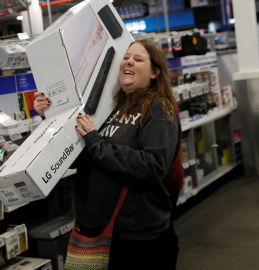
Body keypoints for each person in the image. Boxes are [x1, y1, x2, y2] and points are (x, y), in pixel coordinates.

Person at [34, 39, 181, 269]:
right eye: (126, 57)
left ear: (155, 72)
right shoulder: (113, 108)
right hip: (96, 230)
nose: (129, 61)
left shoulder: (159, 108)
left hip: (133, 237)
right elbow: (84, 156)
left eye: (138, 59)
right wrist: (49, 117)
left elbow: (153, 166)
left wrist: (96, 141)